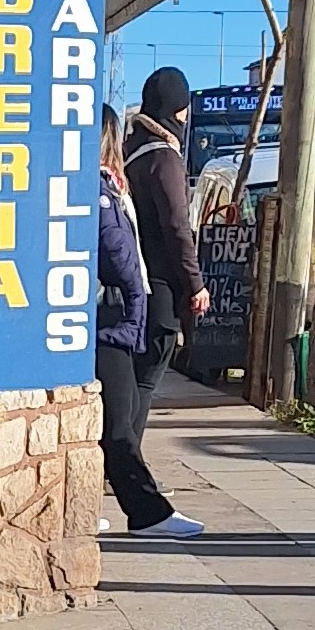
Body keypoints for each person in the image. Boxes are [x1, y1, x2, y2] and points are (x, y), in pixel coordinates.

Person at [97, 107, 203, 538]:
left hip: (115, 317)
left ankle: (91, 506)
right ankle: (147, 513)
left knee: (114, 421)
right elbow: (118, 252)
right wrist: (138, 292)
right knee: (119, 424)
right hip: (110, 318)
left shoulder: (113, 185)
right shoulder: (102, 192)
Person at [123, 66, 210, 444]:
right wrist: (195, 284)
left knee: (130, 378)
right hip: (159, 285)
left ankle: (122, 458)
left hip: (128, 280)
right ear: (176, 110)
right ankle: (129, 461)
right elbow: (177, 226)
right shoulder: (165, 159)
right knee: (147, 378)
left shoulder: (129, 153)